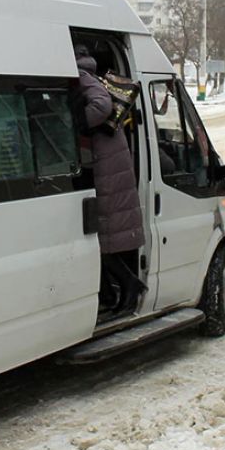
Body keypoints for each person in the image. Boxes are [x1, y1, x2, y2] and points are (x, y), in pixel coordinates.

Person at [72, 45, 147, 315]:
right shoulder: (89, 74)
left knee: (103, 239)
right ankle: (108, 295)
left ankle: (130, 284)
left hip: (106, 166)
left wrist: (75, 124)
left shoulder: (81, 77)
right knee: (102, 238)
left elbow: (101, 106)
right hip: (110, 161)